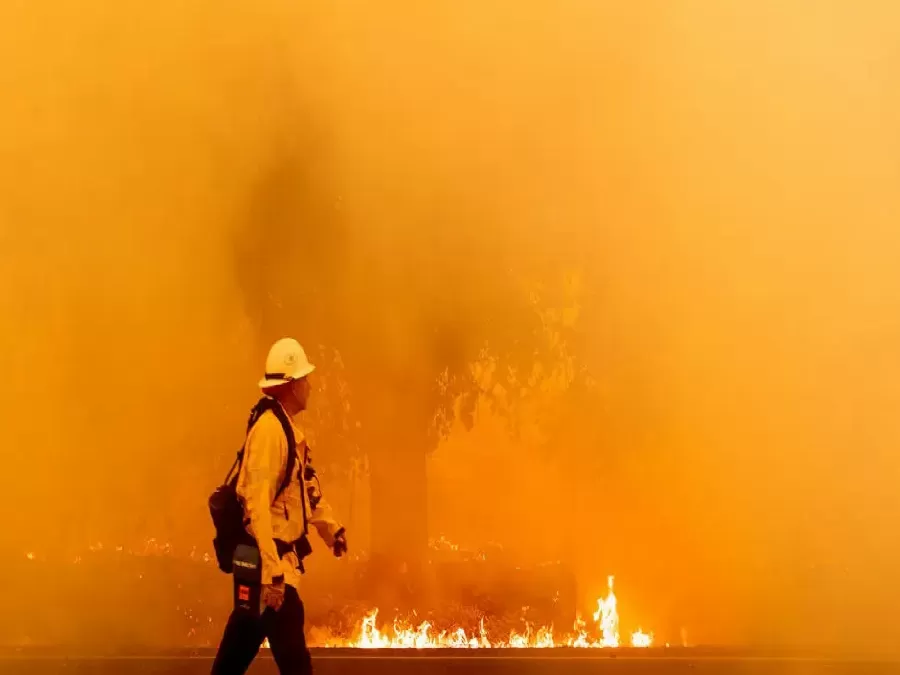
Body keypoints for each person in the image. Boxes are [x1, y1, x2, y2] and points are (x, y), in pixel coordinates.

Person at [212, 337, 347, 675]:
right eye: (305, 378)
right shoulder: (270, 433)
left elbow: (304, 493)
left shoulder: (287, 431)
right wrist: (272, 574)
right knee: (296, 664)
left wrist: (332, 532)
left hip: (260, 568)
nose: (310, 386)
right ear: (290, 386)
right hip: (268, 572)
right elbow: (256, 506)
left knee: (237, 651)